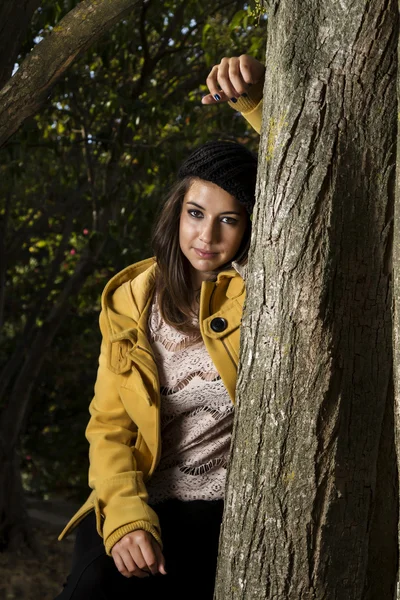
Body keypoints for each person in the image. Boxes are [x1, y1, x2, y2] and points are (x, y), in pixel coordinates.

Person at [55, 54, 265, 600]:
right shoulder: (131, 298)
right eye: (196, 213)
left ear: (249, 228)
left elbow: (310, 192)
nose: (207, 236)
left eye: (229, 219)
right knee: (94, 586)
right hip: (137, 496)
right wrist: (125, 517)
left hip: (219, 513)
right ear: (177, 211)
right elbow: (109, 426)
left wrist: (257, 105)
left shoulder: (259, 287)